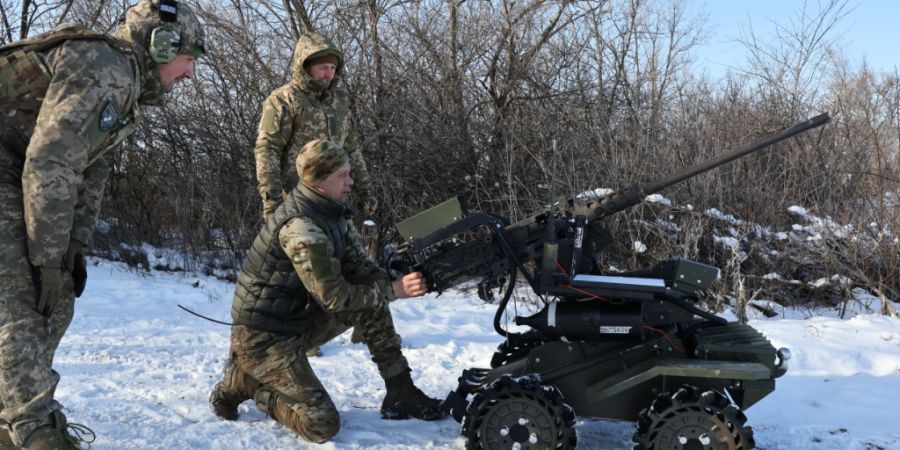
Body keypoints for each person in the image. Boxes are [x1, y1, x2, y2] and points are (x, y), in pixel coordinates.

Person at [0, 0, 205, 448]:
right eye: (189, 60)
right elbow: (50, 162)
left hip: (17, 167)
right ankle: (30, 426)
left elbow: (90, 170)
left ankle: (10, 415)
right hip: (13, 166)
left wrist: (73, 244)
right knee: (22, 295)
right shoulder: (105, 66)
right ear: (163, 45)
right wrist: (46, 259)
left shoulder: (125, 85)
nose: (190, 74)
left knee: (56, 302)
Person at [209, 139, 445, 443]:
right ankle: (249, 382)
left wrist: (397, 277)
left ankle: (401, 391)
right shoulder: (301, 228)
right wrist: (393, 290)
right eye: (343, 175)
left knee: (370, 296)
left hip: (296, 322)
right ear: (319, 180)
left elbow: (359, 267)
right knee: (321, 425)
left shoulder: (331, 212)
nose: (350, 182)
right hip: (263, 339)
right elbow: (332, 296)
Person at [253, 30, 376, 356]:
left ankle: (366, 327)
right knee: (300, 272)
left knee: (355, 262)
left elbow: (351, 147)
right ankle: (298, 338)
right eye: (322, 67)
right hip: (298, 202)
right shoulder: (282, 100)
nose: (328, 74)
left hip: (335, 199)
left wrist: (364, 184)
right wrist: (271, 197)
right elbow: (267, 149)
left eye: (333, 68)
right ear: (305, 66)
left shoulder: (340, 101)